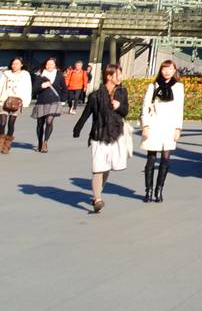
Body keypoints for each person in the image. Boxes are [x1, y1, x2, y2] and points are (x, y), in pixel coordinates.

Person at [73, 63, 131, 213]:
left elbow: (125, 112)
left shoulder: (122, 92)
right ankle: (97, 198)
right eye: (118, 74)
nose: (120, 77)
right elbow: (86, 114)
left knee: (106, 169)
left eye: (121, 74)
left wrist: (118, 106)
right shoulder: (96, 95)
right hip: (99, 134)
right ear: (109, 76)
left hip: (115, 134)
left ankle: (97, 193)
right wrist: (78, 128)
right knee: (98, 168)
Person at [139, 59, 184, 203]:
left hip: (169, 126)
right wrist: (145, 125)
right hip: (154, 124)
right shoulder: (153, 85)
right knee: (151, 159)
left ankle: (159, 190)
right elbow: (145, 105)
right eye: (164, 68)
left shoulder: (178, 87)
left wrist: (178, 128)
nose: (167, 71)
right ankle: (148, 190)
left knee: (165, 159)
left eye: (170, 68)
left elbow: (179, 108)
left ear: (174, 70)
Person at [32, 57, 67, 151]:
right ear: (45, 65)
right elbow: (34, 89)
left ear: (55, 65)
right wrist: (42, 86)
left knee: (49, 121)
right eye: (47, 64)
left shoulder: (59, 75)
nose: (49, 66)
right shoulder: (40, 75)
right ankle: (40, 141)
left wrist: (63, 100)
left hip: (54, 101)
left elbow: (64, 88)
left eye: (51, 64)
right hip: (42, 101)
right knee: (40, 123)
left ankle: (45, 142)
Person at [0, 56, 32, 154]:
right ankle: (1, 142)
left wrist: (26, 102)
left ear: (21, 65)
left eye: (17, 63)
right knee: (2, 122)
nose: (15, 65)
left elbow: (28, 88)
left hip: (17, 101)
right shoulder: (5, 74)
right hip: (4, 100)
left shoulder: (25, 75)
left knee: (11, 123)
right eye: (13, 63)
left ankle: (7, 144)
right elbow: (0, 86)